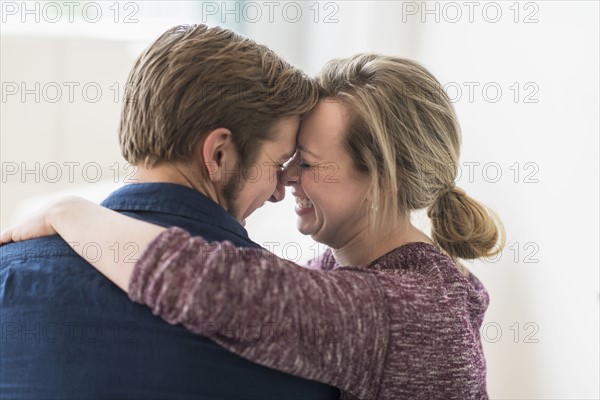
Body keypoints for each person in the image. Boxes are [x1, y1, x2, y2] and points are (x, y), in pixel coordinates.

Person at [2, 54, 505, 400]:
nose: (285, 181)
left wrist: (70, 212)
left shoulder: (409, 312)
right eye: (287, 160)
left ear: (385, 183)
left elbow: (217, 286)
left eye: (305, 163)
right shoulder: (358, 282)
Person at [0, 24, 338, 399]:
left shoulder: (9, 274)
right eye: (276, 165)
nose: (279, 192)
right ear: (219, 154)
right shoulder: (300, 326)